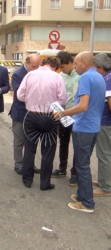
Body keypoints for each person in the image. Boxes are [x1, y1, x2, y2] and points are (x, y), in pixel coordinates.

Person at [54, 51, 105, 213]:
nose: (74, 66)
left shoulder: (85, 78)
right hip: (94, 126)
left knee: (81, 165)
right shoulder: (99, 77)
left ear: (84, 63)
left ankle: (87, 202)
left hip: (84, 127)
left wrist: (63, 112)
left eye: (76, 63)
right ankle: (82, 194)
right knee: (83, 164)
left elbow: (83, 106)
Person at [17, 57, 67, 190]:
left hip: (31, 115)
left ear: (42, 64)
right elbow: (62, 99)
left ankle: (27, 180)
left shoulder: (29, 75)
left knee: (29, 149)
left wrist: (31, 99)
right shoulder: (57, 77)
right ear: (54, 66)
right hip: (49, 117)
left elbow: (20, 96)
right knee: (48, 151)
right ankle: (45, 183)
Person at [51, 51, 79, 187]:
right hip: (62, 114)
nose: (61, 69)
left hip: (76, 115)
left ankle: (75, 173)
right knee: (63, 142)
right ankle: (62, 168)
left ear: (69, 63)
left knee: (77, 145)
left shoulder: (80, 76)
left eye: (62, 66)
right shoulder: (60, 76)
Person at [9, 54, 41, 175]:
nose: (35, 68)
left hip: (33, 112)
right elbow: (19, 94)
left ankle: (30, 164)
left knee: (31, 141)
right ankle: (18, 164)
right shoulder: (18, 74)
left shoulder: (38, 74)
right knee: (19, 140)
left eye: (37, 66)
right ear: (26, 63)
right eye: (33, 66)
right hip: (20, 112)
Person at [93, 53, 111, 197]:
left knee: (104, 154)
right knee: (105, 154)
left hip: (106, 123)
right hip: (104, 122)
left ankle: (106, 187)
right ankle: (104, 180)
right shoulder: (108, 77)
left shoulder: (107, 80)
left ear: (100, 67)